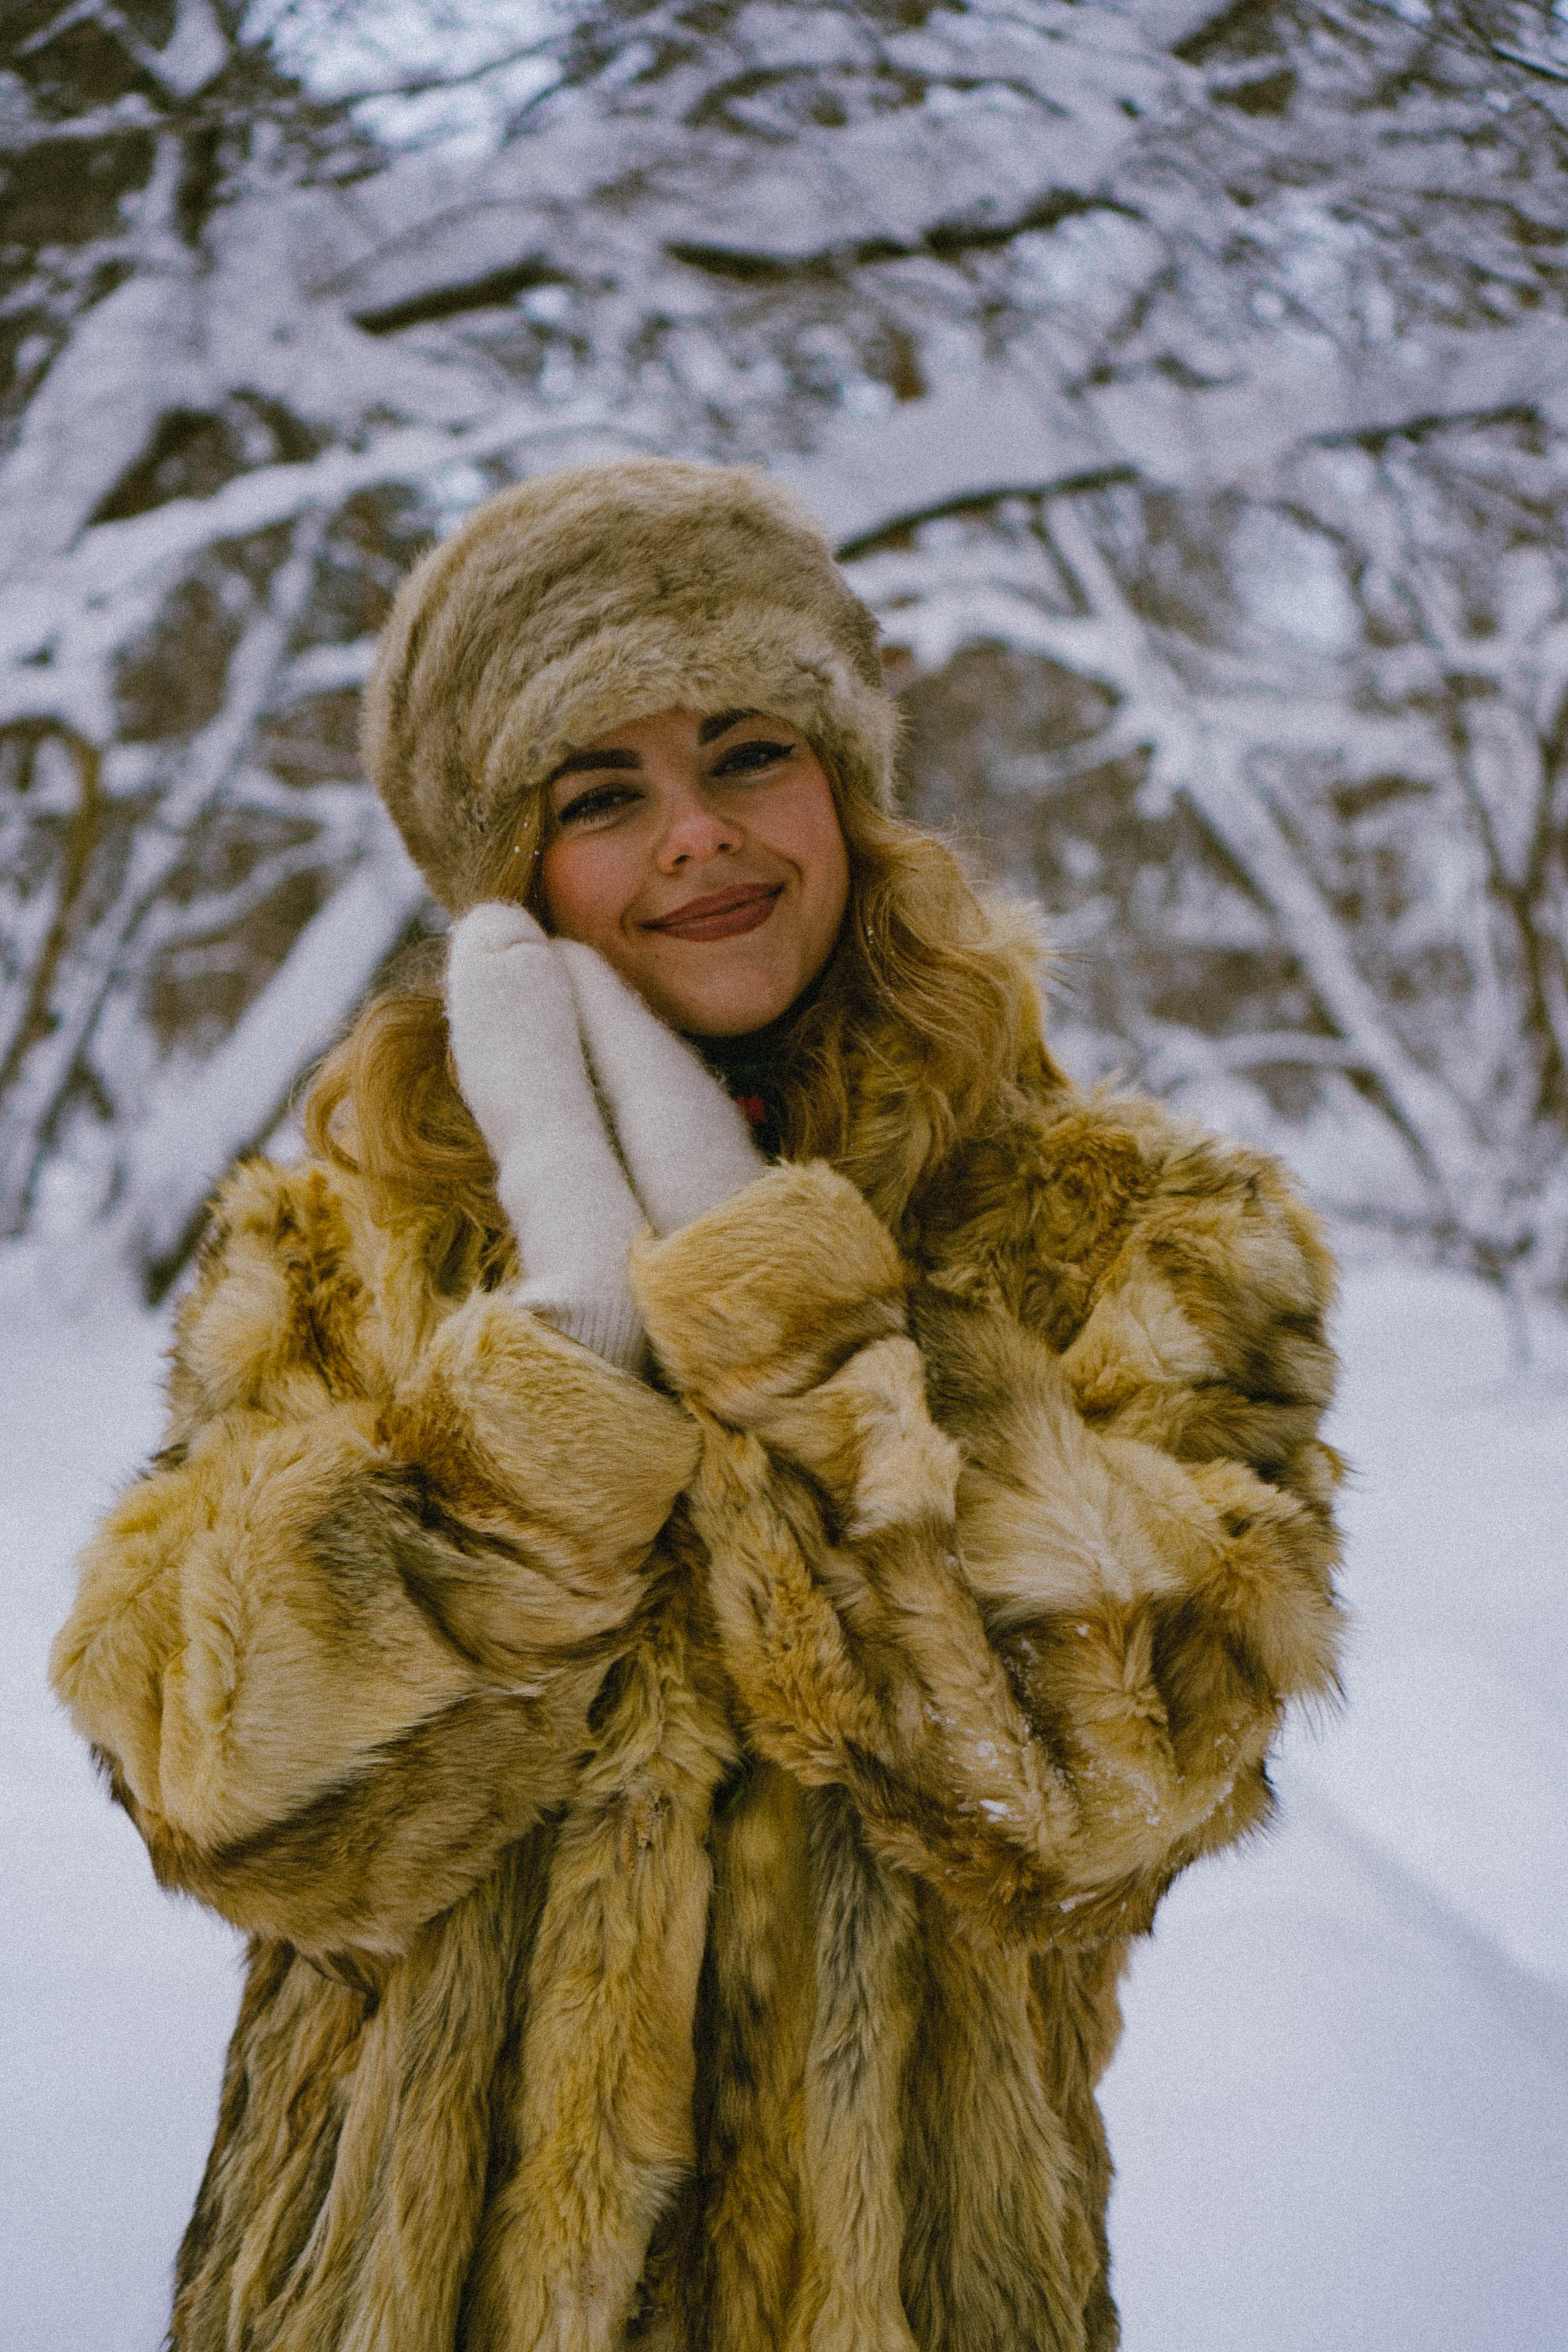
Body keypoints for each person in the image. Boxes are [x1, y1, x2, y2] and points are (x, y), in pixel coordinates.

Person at [50, 459, 1344, 2352]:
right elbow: (222, 1798)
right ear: (511, 862)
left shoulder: (1134, 1232)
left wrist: (793, 1326)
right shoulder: (346, 1238)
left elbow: (1099, 1793)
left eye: (749, 754)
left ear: (845, 786)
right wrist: (548, 1393)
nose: (698, 839)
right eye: (602, 793)